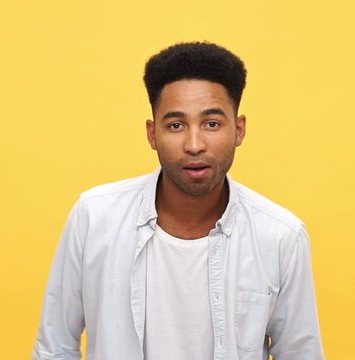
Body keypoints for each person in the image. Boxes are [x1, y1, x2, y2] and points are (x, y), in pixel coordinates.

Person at [33, 42, 324, 360]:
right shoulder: (94, 217)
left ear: (239, 130)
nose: (195, 144)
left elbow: (300, 353)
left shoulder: (280, 235)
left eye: (212, 124)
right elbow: (54, 348)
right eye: (176, 125)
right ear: (152, 134)